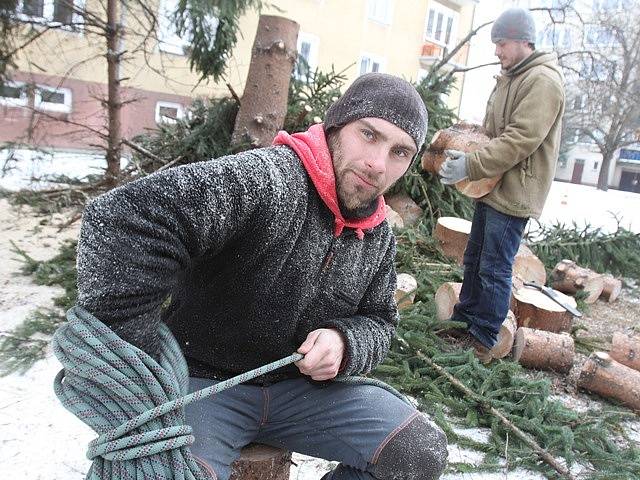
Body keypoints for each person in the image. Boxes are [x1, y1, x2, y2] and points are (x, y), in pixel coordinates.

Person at [75, 73, 448, 480]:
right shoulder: (268, 180)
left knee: (417, 450)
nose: (378, 163)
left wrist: (345, 341)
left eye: (399, 152)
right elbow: (124, 219)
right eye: (369, 135)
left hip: (302, 393)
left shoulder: (376, 234)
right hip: (202, 385)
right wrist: (131, 352)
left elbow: (379, 321)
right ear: (337, 126)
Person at [438, 7, 565, 362]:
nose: (497, 51)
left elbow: (520, 139)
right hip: (494, 185)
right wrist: (464, 151)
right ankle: (464, 321)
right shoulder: (510, 76)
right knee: (475, 258)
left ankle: (483, 339)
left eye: (502, 43)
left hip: (515, 190)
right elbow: (491, 133)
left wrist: (472, 165)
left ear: (524, 41)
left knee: (495, 267)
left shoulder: (542, 81)